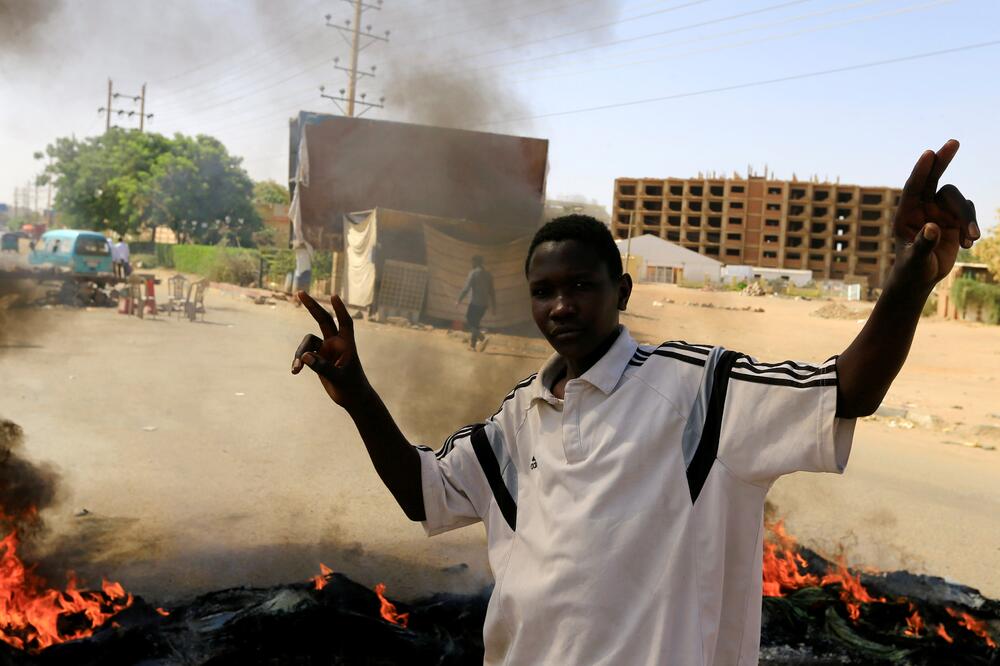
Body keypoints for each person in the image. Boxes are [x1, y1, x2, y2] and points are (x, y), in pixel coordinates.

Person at [291, 140, 980, 665]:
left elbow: (850, 388)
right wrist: (356, 394)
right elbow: (426, 495)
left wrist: (912, 274)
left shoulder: (699, 391)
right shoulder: (516, 419)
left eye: (581, 285)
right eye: (543, 290)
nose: (561, 305)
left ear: (620, 293)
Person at [456, 255, 495, 351]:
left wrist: (459, 300)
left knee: (469, 322)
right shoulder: (488, 275)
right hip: (484, 305)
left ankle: (482, 338)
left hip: (475, 303)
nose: (471, 264)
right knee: (475, 324)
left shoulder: (473, 273)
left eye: (472, 262)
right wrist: (494, 305)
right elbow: (492, 292)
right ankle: (473, 346)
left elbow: (466, 288)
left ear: (476, 262)